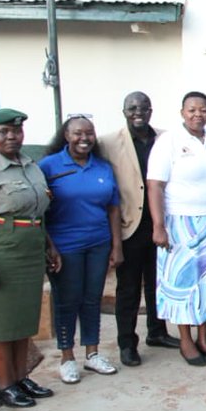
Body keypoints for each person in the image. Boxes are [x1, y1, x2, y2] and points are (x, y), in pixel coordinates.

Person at [0, 108, 60, 408]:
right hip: (1, 251)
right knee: (1, 321)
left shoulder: (31, 166)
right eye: (4, 131)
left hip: (29, 249)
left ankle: (20, 378)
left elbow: (36, 212)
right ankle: (5, 385)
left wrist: (49, 246)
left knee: (22, 320)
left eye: (16, 131)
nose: (11, 136)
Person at [147, 91, 206, 366]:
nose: (199, 115)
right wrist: (159, 226)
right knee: (184, 284)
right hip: (182, 223)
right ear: (182, 112)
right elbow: (155, 185)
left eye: (203, 110)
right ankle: (186, 340)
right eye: (192, 110)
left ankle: (204, 337)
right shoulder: (168, 141)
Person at [39, 115, 123, 384]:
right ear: (66, 135)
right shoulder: (49, 167)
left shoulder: (103, 167)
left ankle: (92, 353)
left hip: (98, 243)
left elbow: (113, 208)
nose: (84, 138)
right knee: (67, 301)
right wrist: (48, 247)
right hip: (64, 247)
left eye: (89, 133)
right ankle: (67, 357)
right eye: (77, 133)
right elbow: (38, 210)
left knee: (91, 299)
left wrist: (116, 245)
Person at [98, 91, 176, 366]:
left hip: (160, 224)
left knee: (158, 284)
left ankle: (158, 332)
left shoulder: (165, 138)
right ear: (124, 112)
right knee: (128, 289)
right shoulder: (107, 142)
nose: (138, 112)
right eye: (132, 108)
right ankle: (127, 344)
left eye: (143, 107)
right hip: (128, 226)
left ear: (151, 110)